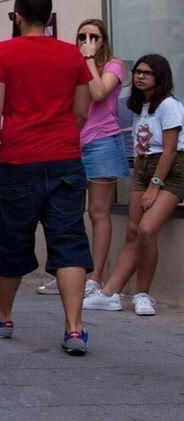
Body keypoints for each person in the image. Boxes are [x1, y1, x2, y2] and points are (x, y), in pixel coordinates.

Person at [0, 0, 94, 356]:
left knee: (12, 239)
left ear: (17, 16)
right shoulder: (70, 53)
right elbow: (81, 109)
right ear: (49, 17)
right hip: (64, 159)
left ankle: (3, 317)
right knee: (70, 240)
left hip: (19, 159)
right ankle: (74, 329)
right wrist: (63, 137)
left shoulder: (4, 52)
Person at [84, 54, 179, 317]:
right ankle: (110, 293)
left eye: (147, 73)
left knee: (148, 230)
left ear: (159, 77)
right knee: (133, 232)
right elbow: (141, 149)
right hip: (144, 168)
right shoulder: (141, 107)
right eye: (137, 72)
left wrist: (154, 186)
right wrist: (139, 179)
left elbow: (170, 151)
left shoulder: (169, 105)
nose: (139, 76)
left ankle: (143, 294)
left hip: (169, 172)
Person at [62, 19, 126, 297]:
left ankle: (95, 278)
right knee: (67, 212)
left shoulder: (114, 65)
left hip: (102, 142)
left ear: (103, 41)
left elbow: (99, 92)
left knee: (98, 212)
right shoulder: (70, 64)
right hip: (73, 142)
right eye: (82, 36)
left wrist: (88, 60)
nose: (87, 40)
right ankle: (69, 273)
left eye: (93, 36)